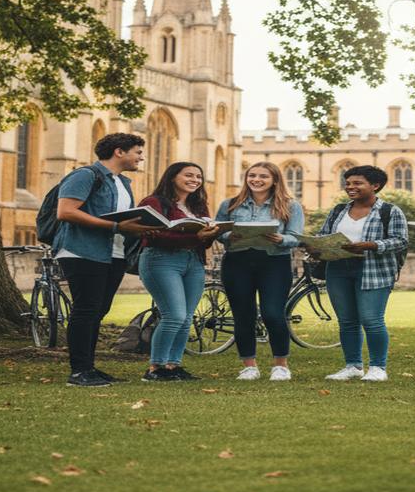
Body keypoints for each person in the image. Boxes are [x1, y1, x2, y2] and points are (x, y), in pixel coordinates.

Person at [52, 133, 151, 387]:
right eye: (138, 152)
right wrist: (116, 226)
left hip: (113, 254)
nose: (141, 157)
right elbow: (66, 211)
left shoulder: (122, 182)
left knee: (98, 311)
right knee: (86, 309)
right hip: (82, 251)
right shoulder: (85, 175)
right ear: (119, 152)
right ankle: (78, 371)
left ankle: (89, 368)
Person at [314, 165, 407, 382]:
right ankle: (353, 366)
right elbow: (324, 233)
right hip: (338, 269)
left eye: (357, 183)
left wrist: (371, 245)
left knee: (372, 320)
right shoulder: (338, 210)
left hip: (373, 270)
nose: (350, 187)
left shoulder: (390, 211)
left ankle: (378, 367)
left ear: (375, 186)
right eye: (348, 183)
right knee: (347, 321)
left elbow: (401, 240)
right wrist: (316, 245)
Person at [215, 162, 305, 381]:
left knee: (273, 314)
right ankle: (249, 366)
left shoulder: (290, 206)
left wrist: (281, 238)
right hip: (237, 262)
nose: (256, 179)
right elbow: (217, 231)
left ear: (274, 180)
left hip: (274, 262)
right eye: (252, 175)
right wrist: (228, 236)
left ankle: (281, 366)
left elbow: (295, 236)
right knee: (243, 316)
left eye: (263, 176)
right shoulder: (230, 204)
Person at [137, 162, 222, 382]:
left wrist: (212, 234)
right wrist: (197, 237)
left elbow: (203, 242)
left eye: (198, 176)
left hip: (193, 262)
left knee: (186, 318)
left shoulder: (198, 205)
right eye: (189, 175)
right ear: (173, 177)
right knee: (173, 315)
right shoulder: (153, 202)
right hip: (161, 260)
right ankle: (155, 368)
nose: (195, 180)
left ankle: (173, 366)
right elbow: (152, 234)